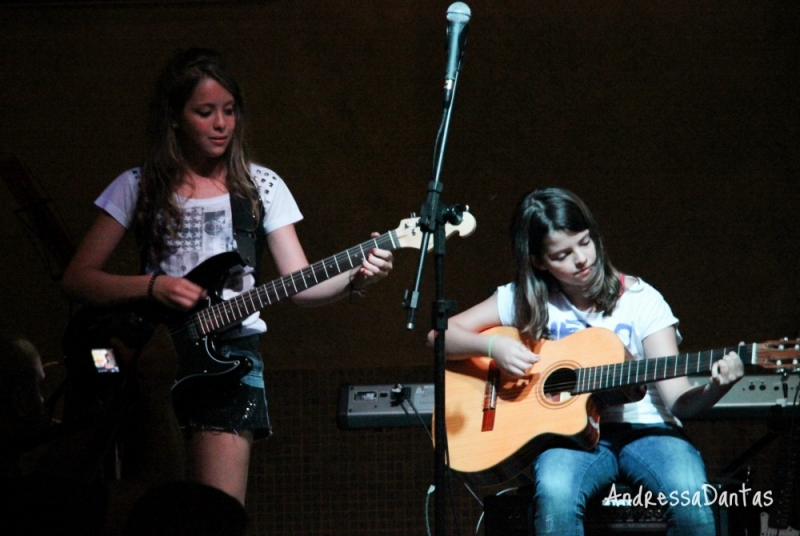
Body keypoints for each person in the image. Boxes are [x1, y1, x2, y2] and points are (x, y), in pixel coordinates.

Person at [62, 47, 393, 505]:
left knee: (217, 515)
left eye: (229, 111)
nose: (221, 124)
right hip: (152, 359)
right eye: (205, 112)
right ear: (174, 117)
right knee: (153, 512)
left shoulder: (262, 186)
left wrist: (357, 277)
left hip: (231, 362)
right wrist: (154, 286)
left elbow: (300, 283)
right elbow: (78, 278)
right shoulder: (138, 185)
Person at [433, 187, 743, 535]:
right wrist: (493, 347)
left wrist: (716, 387)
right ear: (539, 261)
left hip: (650, 432)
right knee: (555, 495)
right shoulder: (523, 300)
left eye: (585, 242)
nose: (581, 259)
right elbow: (440, 336)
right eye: (562, 254)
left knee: (691, 501)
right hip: (566, 440)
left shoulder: (642, 300)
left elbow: (680, 403)